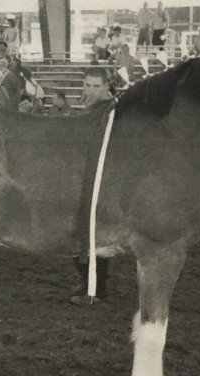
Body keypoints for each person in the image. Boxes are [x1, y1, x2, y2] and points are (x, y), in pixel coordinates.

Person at [71, 68, 113, 306]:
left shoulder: (109, 110)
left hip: (101, 180)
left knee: (89, 236)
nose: (91, 90)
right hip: (89, 176)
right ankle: (92, 286)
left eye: (96, 86)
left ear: (107, 86)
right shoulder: (95, 110)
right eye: (87, 85)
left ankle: (95, 290)